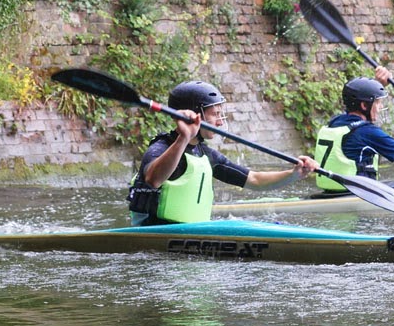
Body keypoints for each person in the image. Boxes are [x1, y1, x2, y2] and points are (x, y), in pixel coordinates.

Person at [128, 80, 319, 225]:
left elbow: (254, 180)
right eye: (215, 114)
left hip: (191, 240)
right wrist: (183, 138)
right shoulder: (160, 148)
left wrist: (295, 174)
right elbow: (153, 179)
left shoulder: (205, 154)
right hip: (157, 238)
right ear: (196, 114)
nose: (220, 121)